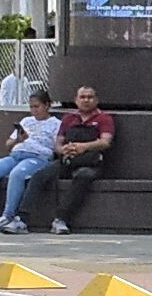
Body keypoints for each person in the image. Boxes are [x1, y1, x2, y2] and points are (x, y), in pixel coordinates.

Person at [0, 85, 60, 232]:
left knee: (17, 174)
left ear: (47, 105)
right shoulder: (26, 121)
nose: (34, 111)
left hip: (38, 157)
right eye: (31, 107)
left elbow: (56, 147)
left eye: (37, 107)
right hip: (16, 154)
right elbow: (8, 144)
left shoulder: (56, 124)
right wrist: (18, 140)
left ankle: (8, 216)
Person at [33, 84, 115, 233]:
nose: (86, 100)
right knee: (41, 175)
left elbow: (105, 142)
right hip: (68, 160)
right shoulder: (69, 119)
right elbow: (58, 144)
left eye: (90, 97)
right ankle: (21, 217)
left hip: (91, 163)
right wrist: (63, 150)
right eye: (82, 97)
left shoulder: (104, 118)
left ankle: (61, 219)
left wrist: (83, 147)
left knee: (83, 176)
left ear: (96, 100)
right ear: (76, 100)